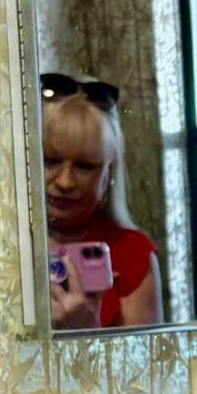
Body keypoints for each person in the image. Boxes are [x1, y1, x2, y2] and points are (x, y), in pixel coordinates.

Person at [41, 72, 161, 329]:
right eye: (51, 161)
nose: (65, 182)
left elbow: (146, 355)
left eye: (85, 166)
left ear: (108, 173)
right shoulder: (5, 247)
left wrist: (88, 330)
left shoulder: (133, 254)